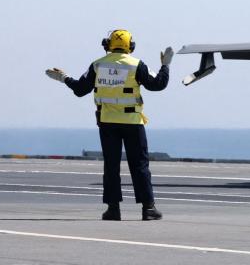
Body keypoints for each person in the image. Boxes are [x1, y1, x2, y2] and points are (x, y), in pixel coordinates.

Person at [46, 29, 173, 221]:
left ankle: (113, 209)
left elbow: (81, 89)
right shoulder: (137, 65)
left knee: (111, 166)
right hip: (132, 122)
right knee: (140, 166)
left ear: (107, 45)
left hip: (107, 123)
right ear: (131, 46)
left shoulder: (97, 65)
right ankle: (148, 209)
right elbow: (157, 85)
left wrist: (63, 78)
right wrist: (165, 65)